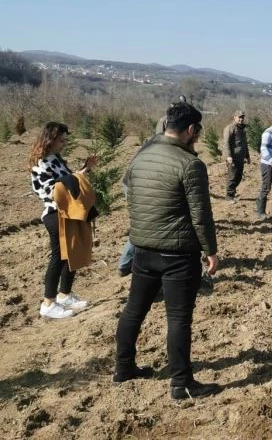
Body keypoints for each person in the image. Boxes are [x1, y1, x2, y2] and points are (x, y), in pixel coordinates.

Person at [114, 101, 221, 399]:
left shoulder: (141, 157)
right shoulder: (190, 165)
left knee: (134, 309)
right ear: (190, 130)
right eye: (197, 131)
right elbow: (201, 215)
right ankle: (181, 383)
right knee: (178, 318)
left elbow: (132, 197)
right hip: (177, 254)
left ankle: (123, 368)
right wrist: (210, 251)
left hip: (143, 249)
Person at [30, 122, 98, 319]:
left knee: (71, 255)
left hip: (70, 213)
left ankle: (64, 295)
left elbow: (69, 181)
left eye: (65, 140)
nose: (63, 144)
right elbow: (51, 190)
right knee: (58, 258)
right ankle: (48, 304)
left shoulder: (55, 159)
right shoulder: (41, 162)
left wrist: (85, 169)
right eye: (61, 140)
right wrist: (74, 179)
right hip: (55, 214)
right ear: (50, 139)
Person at [221, 109, 250, 202]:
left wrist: (247, 156)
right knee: (232, 177)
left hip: (241, 158)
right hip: (233, 158)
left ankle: (232, 193)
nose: (241, 119)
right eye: (239, 117)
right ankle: (229, 196)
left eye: (242, 117)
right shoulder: (229, 128)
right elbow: (226, 143)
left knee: (239, 177)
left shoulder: (242, 129)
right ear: (234, 117)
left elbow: (245, 144)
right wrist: (229, 156)